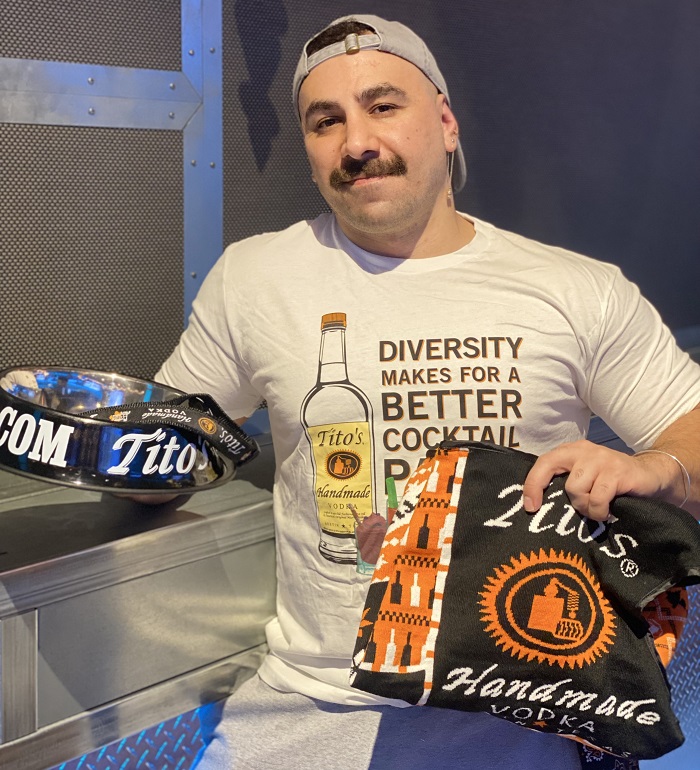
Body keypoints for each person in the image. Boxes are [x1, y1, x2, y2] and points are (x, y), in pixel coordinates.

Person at [154, 14, 700, 769]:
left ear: (445, 123)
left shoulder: (576, 289)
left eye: (383, 106)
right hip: (313, 707)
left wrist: (657, 470)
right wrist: (74, 436)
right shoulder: (255, 279)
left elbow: (687, 431)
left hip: (526, 709)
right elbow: (164, 448)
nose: (356, 142)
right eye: (325, 121)